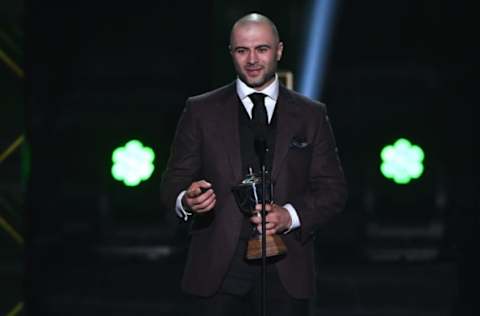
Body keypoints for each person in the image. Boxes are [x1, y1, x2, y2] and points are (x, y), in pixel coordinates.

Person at [161, 13, 347, 316]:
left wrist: (290, 216)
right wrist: (187, 199)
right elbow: (173, 182)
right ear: (231, 53)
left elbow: (333, 189)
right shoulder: (200, 110)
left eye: (261, 49)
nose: (252, 60)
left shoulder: (311, 115)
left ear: (279, 51)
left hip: (286, 275)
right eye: (242, 50)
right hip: (217, 274)